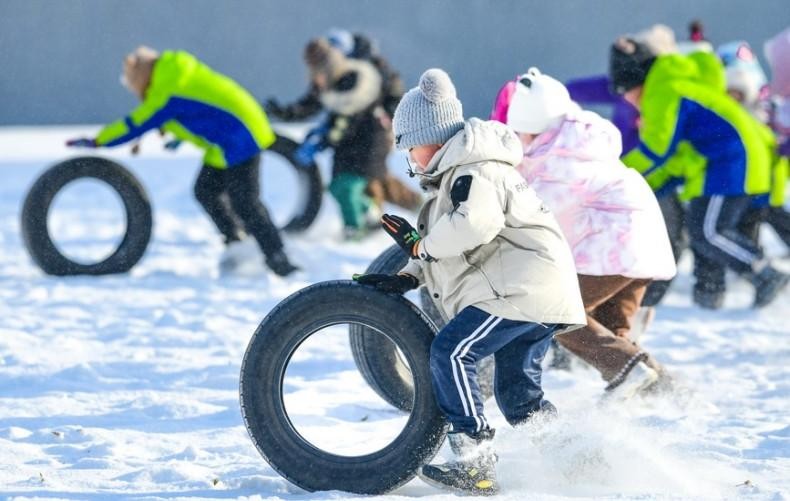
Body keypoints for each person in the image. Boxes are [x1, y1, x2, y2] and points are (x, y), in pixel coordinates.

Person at [354, 68, 585, 495]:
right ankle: (578, 460)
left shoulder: (474, 171)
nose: (408, 160)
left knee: (452, 351)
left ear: (433, 139)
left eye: (410, 148)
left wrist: (420, 247)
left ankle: (474, 462)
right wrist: (405, 277)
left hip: (521, 291)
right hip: (533, 292)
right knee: (518, 398)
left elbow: (471, 228)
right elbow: (453, 248)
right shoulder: (456, 178)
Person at [505, 68, 676, 395]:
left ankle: (632, 375)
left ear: (537, 130)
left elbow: (534, 213)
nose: (521, 142)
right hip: (641, 246)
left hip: (615, 249)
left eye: (523, 134)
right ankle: (666, 391)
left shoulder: (558, 159)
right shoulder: (579, 141)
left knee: (553, 312)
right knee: (613, 335)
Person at [65, 46, 299, 276]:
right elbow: (199, 108)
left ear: (141, 78)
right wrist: (179, 136)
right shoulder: (172, 74)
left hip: (241, 135)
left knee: (245, 201)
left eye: (132, 85)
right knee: (206, 190)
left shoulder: (167, 89)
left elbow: (137, 122)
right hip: (226, 138)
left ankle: (278, 258)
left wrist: (98, 140)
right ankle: (237, 241)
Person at [611, 37, 789, 308]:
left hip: (732, 160)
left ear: (633, 84)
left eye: (626, 94)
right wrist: (642, 185)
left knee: (709, 231)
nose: (628, 102)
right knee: (705, 228)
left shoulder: (663, 89)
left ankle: (763, 272)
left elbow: (657, 150)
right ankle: (731, 286)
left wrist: (615, 175)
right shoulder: (675, 82)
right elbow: (673, 160)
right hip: (735, 158)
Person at [265, 33, 420, 240]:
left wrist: (324, 138)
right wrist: (286, 113)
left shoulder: (355, 74)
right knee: (362, 183)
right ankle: (399, 212)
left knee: (352, 185)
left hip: (372, 137)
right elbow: (315, 104)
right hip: (353, 141)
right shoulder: (329, 75)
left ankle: (363, 229)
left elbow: (349, 114)